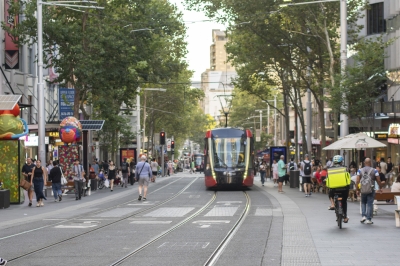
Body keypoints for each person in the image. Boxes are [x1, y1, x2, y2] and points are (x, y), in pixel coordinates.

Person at [356, 158, 383, 225]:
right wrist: (380, 187)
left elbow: (357, 181)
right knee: (370, 203)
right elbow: (378, 180)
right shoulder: (375, 171)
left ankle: (363, 216)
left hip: (363, 189)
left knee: (363, 203)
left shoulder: (359, 170)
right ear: (370, 163)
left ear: (364, 163)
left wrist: (357, 189)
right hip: (371, 189)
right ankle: (368, 219)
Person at [325, 155, 351, 223]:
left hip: (334, 189)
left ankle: (333, 204)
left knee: (330, 193)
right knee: (344, 202)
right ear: (341, 161)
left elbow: (327, 179)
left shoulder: (329, 169)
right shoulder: (345, 168)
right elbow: (348, 179)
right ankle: (345, 217)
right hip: (344, 189)